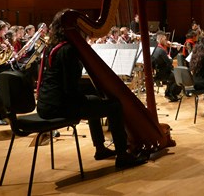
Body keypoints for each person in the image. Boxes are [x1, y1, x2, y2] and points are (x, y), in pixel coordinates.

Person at [36, 10, 147, 168]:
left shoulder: (52, 46)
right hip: (59, 107)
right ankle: (122, 156)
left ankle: (100, 148)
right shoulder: (68, 50)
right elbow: (70, 89)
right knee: (115, 106)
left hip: (46, 103)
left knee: (94, 99)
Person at [151, 31, 181, 102]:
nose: (166, 41)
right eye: (165, 39)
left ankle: (168, 93)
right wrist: (170, 58)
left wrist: (176, 51)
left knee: (174, 75)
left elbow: (168, 59)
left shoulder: (156, 48)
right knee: (178, 77)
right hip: (163, 73)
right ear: (161, 39)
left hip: (159, 72)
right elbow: (170, 62)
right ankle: (171, 94)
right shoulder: (162, 51)